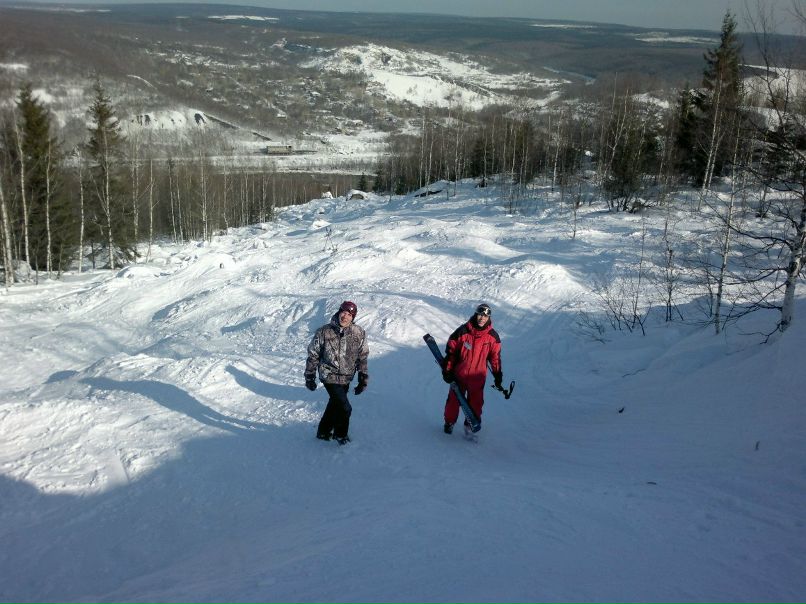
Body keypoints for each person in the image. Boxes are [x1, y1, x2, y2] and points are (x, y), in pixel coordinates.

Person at [305, 300, 369, 445]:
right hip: (329, 375)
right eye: (343, 312)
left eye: (349, 314)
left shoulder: (358, 333)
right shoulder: (324, 331)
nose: (345, 316)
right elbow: (313, 354)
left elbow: (362, 356)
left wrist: (362, 377)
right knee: (345, 408)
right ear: (338, 312)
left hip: (346, 377)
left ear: (353, 317)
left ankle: (323, 431)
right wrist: (310, 376)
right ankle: (341, 435)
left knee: (334, 404)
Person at [441, 303, 503, 435]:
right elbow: (451, 352)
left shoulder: (492, 337)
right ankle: (449, 422)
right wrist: (448, 370)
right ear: (476, 314)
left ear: (489, 318)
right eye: (480, 315)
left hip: (478, 377)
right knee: (453, 400)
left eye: (486, 316)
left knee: (476, 403)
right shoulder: (463, 331)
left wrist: (498, 375)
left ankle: (470, 426)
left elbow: (495, 358)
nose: (482, 318)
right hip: (460, 375)